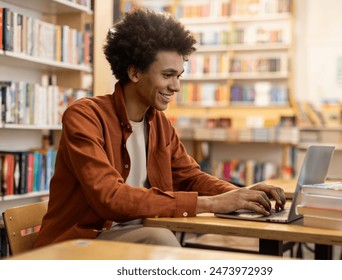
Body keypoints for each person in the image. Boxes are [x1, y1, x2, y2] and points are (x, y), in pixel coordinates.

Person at [34, 8, 286, 248]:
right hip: (80, 243)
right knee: (160, 240)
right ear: (134, 73)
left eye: (179, 76)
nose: (176, 86)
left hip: (136, 235)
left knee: (162, 239)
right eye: (167, 75)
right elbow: (110, 198)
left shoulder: (159, 123)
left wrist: (242, 194)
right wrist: (212, 203)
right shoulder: (85, 116)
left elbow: (190, 178)